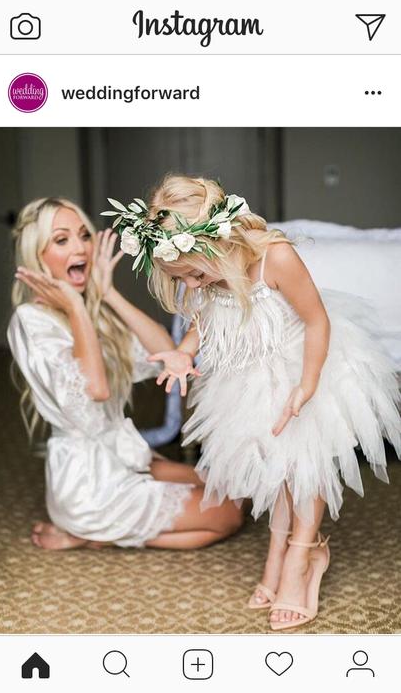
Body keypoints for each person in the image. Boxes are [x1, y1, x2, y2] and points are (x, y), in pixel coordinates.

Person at [108, 174, 401, 630]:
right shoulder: (200, 276)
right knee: (273, 468)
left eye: (195, 273)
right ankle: (279, 551)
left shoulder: (275, 257)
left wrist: (307, 384)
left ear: (220, 240)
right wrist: (183, 352)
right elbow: (203, 319)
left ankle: (301, 556)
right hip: (246, 377)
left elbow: (317, 321)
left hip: (303, 366)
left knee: (304, 464)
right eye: (181, 278)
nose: (192, 284)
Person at [7, 197, 243, 552]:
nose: (80, 248)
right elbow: (97, 390)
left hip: (122, 457)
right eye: (61, 240)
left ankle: (97, 533)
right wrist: (76, 308)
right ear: (37, 256)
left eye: (84, 235)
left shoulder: (95, 311)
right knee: (229, 513)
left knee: (235, 490)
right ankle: (94, 532)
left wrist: (108, 295)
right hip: (87, 486)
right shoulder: (31, 321)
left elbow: (167, 352)